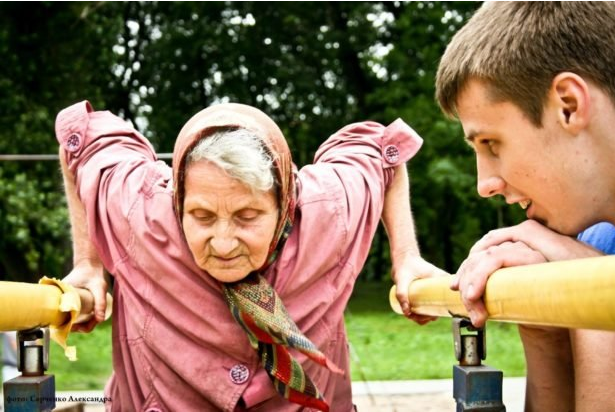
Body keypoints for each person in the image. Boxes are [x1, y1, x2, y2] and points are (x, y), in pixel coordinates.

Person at [56, 100, 444, 411]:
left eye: (247, 217)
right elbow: (81, 141)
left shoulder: (328, 207)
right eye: (202, 216)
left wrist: (406, 257)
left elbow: (381, 152)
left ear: (284, 203)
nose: (223, 243)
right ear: (178, 201)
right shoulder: (139, 208)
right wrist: (88, 263)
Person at [434, 2, 615, 411]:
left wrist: (589, 290)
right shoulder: (595, 237)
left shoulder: (586, 250)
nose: (485, 185)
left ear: (568, 105)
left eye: (491, 143)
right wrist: (544, 328)